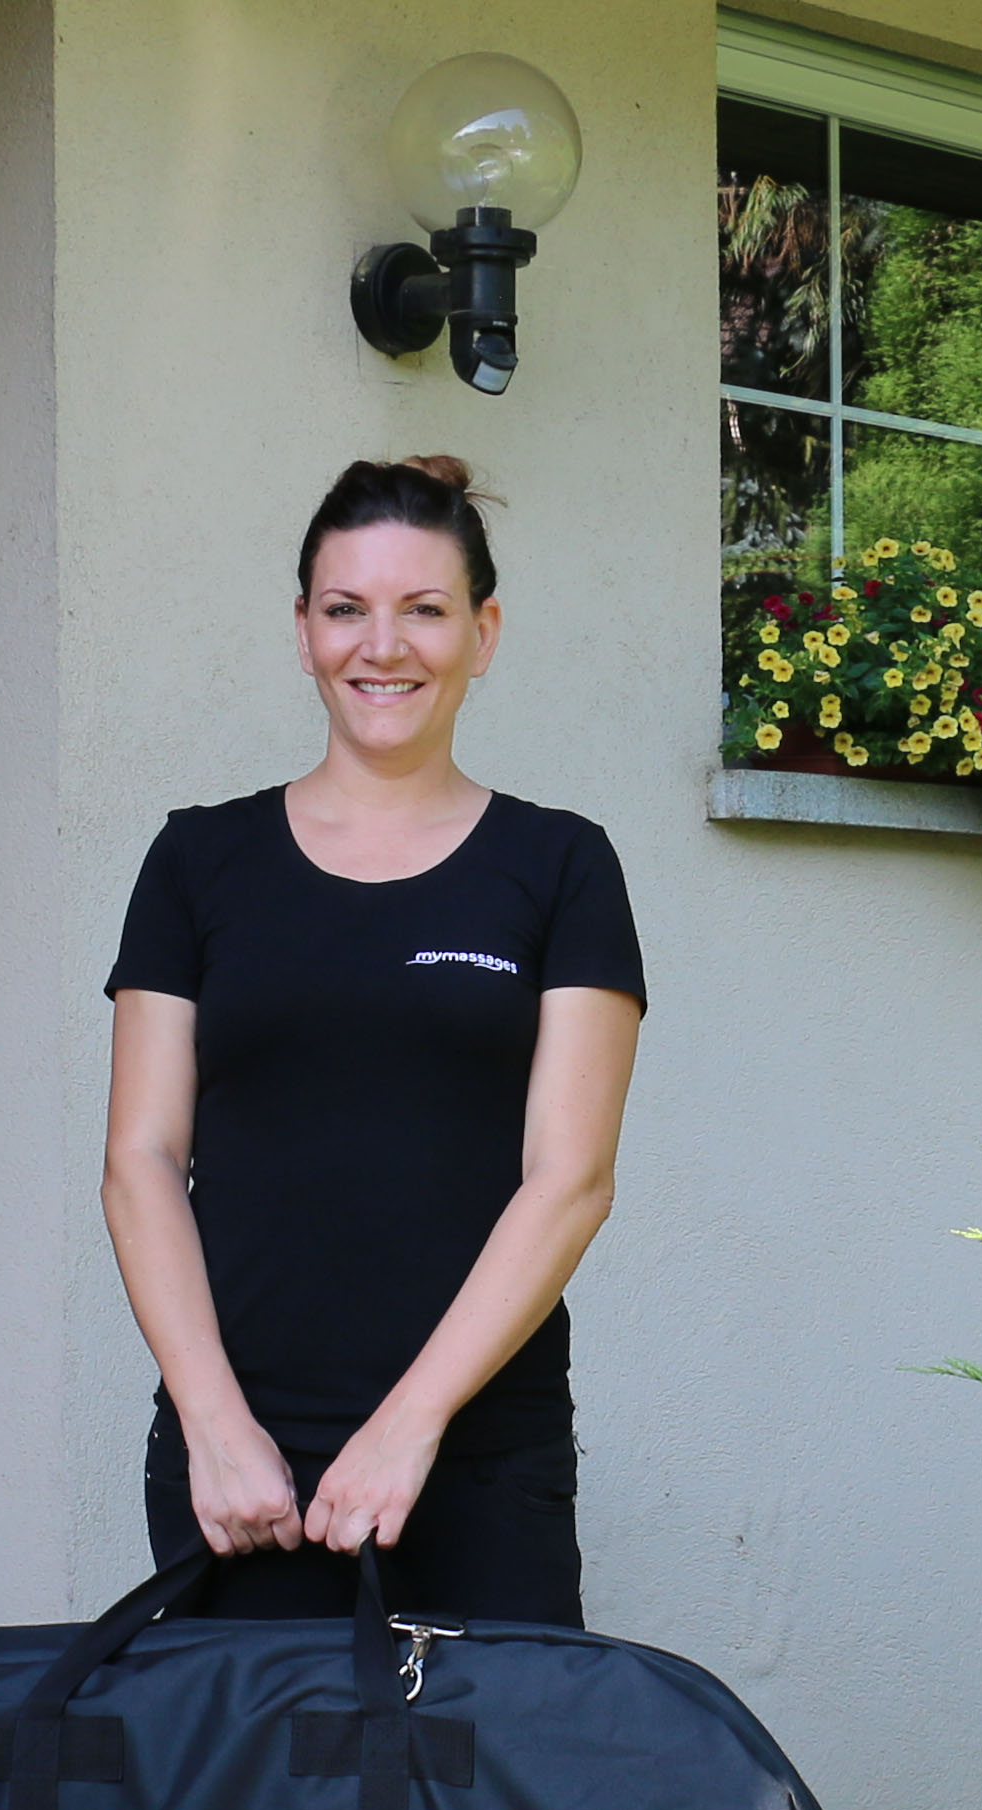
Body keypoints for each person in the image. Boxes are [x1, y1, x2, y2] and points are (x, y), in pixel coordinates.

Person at [100, 455, 645, 1625]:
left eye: (425, 610)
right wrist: (214, 1427)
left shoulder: (561, 868)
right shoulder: (197, 862)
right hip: (242, 1470)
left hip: (480, 1458)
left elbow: (571, 1181)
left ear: (484, 633)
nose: (380, 646)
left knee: (487, 1802)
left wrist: (408, 1429)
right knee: (251, 1808)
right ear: (302, 631)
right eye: (345, 609)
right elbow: (141, 1161)